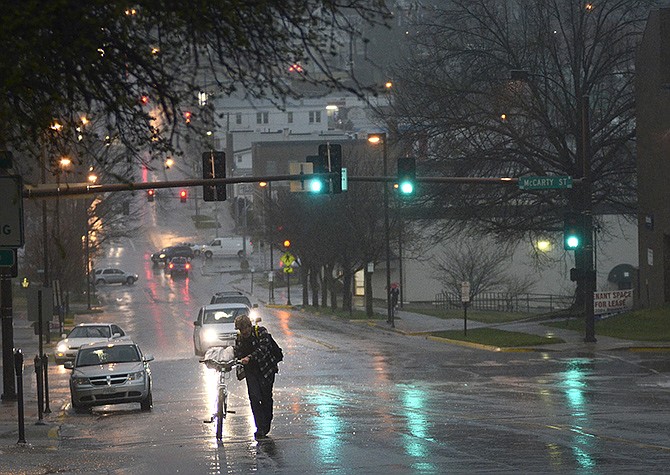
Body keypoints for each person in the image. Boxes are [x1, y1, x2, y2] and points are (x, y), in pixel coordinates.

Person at [234, 314, 279, 439]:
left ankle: (266, 424)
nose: (244, 332)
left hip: (266, 370)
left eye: (246, 328)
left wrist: (250, 357)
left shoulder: (261, 331)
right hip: (251, 372)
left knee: (266, 398)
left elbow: (264, 348)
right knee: (254, 398)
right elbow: (237, 352)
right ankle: (259, 428)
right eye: (241, 330)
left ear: (249, 326)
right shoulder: (239, 338)